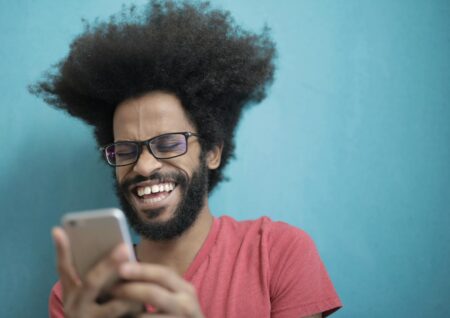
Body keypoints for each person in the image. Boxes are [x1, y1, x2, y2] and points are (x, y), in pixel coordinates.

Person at [31, 1, 342, 317]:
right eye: (126, 150)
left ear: (211, 152)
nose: (144, 166)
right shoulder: (81, 297)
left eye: (167, 144)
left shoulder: (276, 253)